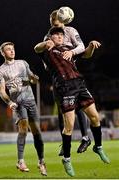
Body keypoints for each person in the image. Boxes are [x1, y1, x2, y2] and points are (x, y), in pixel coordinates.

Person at [34, 26, 110, 177]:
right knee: (69, 126)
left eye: (61, 35)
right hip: (65, 87)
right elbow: (36, 48)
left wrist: (90, 46)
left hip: (79, 84)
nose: (59, 37)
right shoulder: (47, 51)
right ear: (50, 37)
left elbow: (86, 54)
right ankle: (67, 159)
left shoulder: (69, 48)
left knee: (95, 117)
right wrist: (45, 43)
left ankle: (98, 147)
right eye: (56, 35)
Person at [0, 42, 47, 176]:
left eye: (13, 48)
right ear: (3, 53)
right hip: (17, 103)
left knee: (37, 132)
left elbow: (32, 78)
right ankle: (20, 161)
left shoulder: (23, 63)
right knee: (23, 128)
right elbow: (2, 91)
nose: (12, 51)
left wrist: (35, 79)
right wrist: (9, 102)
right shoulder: (0, 71)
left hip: (30, 100)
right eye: (8, 49)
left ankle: (41, 162)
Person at [44, 9, 91, 155]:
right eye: (52, 21)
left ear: (63, 20)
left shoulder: (70, 31)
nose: (54, 23)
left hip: (72, 74)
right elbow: (45, 56)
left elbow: (82, 47)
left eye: (56, 20)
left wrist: (71, 52)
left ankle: (85, 137)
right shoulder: (48, 36)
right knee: (61, 110)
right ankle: (65, 143)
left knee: (79, 107)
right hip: (57, 77)